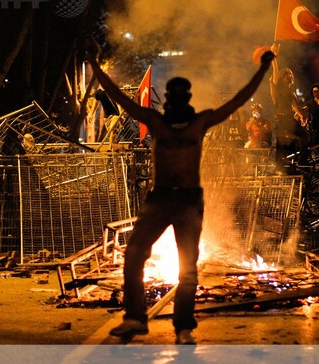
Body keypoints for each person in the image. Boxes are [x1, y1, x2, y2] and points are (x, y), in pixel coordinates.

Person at [84, 37, 275, 344]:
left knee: (187, 267)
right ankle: (135, 318)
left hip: (187, 201)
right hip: (160, 198)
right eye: (172, 97)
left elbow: (240, 99)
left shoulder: (198, 123)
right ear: (170, 101)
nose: (174, 101)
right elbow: (118, 96)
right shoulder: (156, 121)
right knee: (134, 254)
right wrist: (94, 63)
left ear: (185, 99)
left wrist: (264, 68)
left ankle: (183, 326)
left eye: (178, 96)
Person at [269, 43, 309, 171]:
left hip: (290, 119)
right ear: (283, 76)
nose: (290, 76)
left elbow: (294, 106)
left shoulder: (291, 91)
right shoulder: (278, 87)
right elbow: (275, 70)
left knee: (305, 136)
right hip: (281, 120)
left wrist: (302, 117)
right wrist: (274, 57)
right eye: (288, 74)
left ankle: (301, 162)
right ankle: (279, 169)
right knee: (280, 146)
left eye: (291, 74)